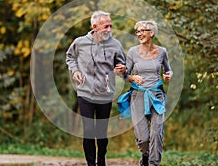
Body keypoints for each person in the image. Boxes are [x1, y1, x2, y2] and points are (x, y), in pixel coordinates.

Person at [66, 10, 126, 166]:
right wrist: (75, 70)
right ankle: (91, 164)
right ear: (95, 26)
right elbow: (70, 57)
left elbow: (122, 65)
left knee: (101, 133)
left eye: (110, 26)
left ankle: (101, 160)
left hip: (104, 94)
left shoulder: (115, 44)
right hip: (84, 92)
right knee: (88, 131)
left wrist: (121, 70)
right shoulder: (80, 42)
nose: (109, 29)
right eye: (106, 26)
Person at [120, 20, 172, 166]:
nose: (139, 34)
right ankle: (145, 155)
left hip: (157, 96)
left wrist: (168, 75)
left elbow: (168, 69)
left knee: (157, 133)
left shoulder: (162, 51)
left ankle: (153, 163)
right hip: (138, 96)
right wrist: (131, 77)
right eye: (137, 31)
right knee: (143, 138)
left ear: (152, 33)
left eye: (142, 31)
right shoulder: (132, 52)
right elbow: (125, 75)